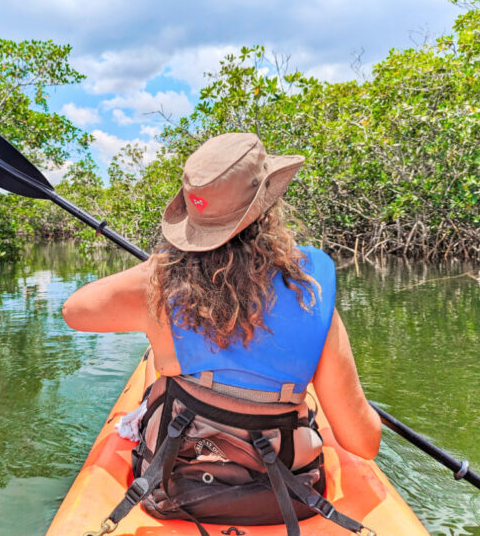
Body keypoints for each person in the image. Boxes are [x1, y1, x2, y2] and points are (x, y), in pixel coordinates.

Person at [62, 132, 381, 532]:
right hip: (285, 494)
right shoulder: (311, 290)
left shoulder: (159, 287)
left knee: (158, 379)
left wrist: (160, 268)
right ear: (268, 210)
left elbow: (74, 311)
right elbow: (363, 443)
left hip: (175, 488)